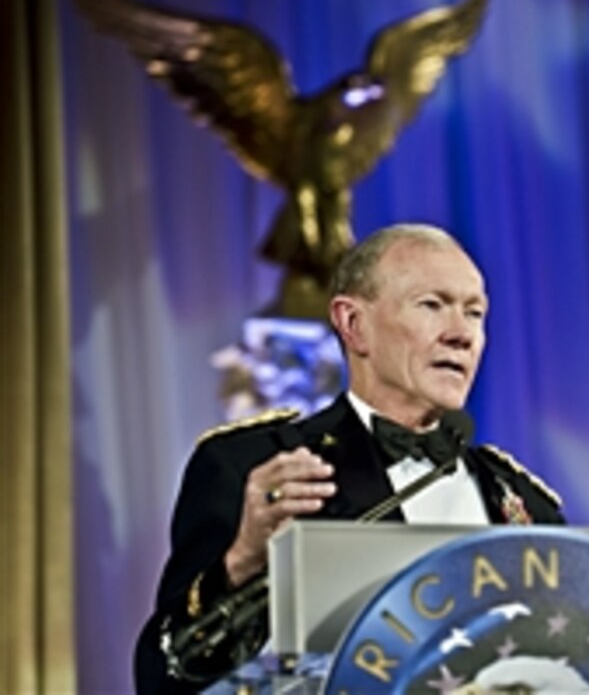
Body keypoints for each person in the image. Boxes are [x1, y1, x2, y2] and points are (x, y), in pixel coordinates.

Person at [134, 223, 565, 694]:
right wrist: (240, 563)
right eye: (432, 305)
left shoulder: (521, 501)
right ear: (353, 324)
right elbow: (164, 679)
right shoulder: (258, 469)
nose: (462, 334)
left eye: (475, 312)